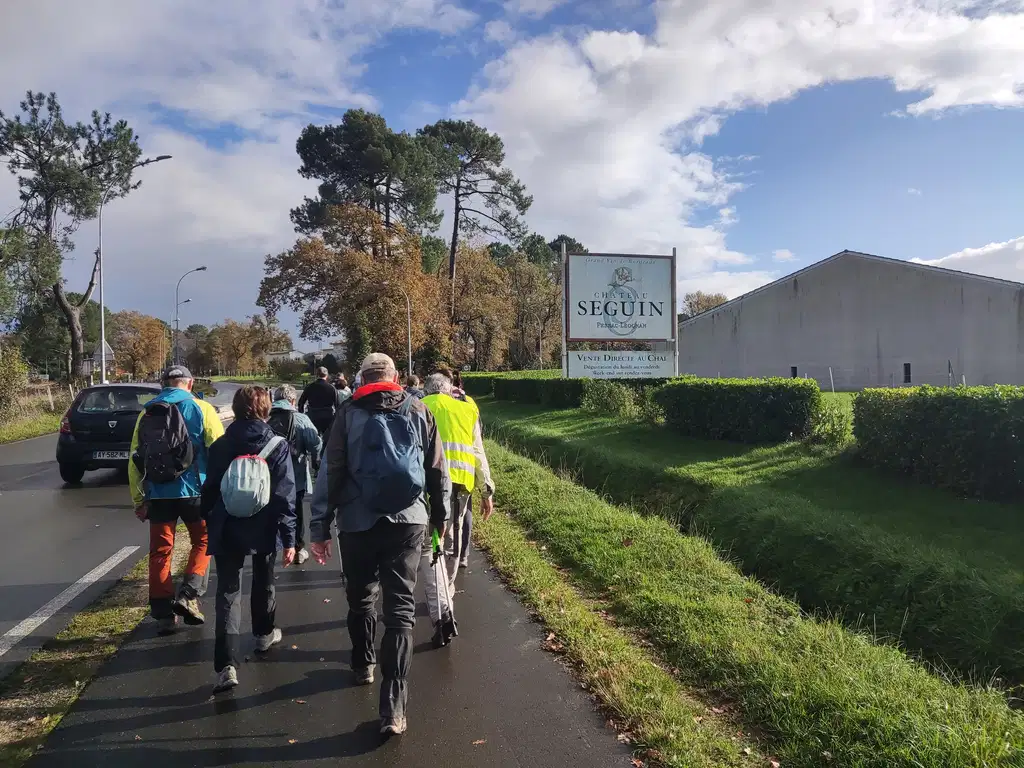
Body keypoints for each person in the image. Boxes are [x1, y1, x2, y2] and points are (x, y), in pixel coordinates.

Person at [310, 353, 449, 737]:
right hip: (408, 520)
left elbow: (330, 471)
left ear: (362, 379)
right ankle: (394, 707)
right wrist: (440, 518)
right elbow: (438, 469)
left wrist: (320, 525)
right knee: (400, 612)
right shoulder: (419, 410)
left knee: (361, 597)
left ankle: (363, 663)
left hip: (357, 522)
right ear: (395, 376)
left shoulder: (347, 414)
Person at [202, 386, 296, 693]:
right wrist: (290, 538)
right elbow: (284, 495)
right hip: (264, 525)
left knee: (228, 592)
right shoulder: (277, 444)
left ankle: (226, 665)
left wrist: (209, 520)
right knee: (264, 579)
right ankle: (263, 634)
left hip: (227, 525)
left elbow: (209, 489)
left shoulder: (221, 445)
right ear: (266, 409)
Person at [130, 365, 225, 635]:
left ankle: (163, 614)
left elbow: (134, 459)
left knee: (160, 551)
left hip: (159, 493)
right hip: (196, 491)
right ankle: (189, 594)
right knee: (204, 541)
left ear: (163, 384)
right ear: (190, 383)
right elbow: (219, 450)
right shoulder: (202, 409)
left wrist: (139, 499)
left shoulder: (147, 412)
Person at [420, 373, 494, 635]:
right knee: (451, 539)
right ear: (449, 389)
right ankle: (447, 588)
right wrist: (487, 489)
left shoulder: (418, 406)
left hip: (426, 483)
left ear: (427, 390)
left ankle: (434, 589)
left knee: (429, 540)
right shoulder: (467, 409)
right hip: (459, 483)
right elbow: (478, 452)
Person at [269, 384, 323, 565]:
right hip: (295, 475)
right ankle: (298, 549)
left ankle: (272, 550)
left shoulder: (267, 419)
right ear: (292, 401)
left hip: (271, 477)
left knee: (274, 512)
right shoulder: (301, 419)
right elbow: (315, 443)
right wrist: (315, 459)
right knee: (296, 512)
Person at [298, 367, 340, 438]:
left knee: (313, 437)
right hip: (327, 416)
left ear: (317, 375)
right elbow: (338, 405)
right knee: (327, 438)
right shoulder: (332, 388)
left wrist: (302, 414)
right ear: (327, 375)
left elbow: (301, 402)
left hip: (313, 415)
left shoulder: (309, 387)